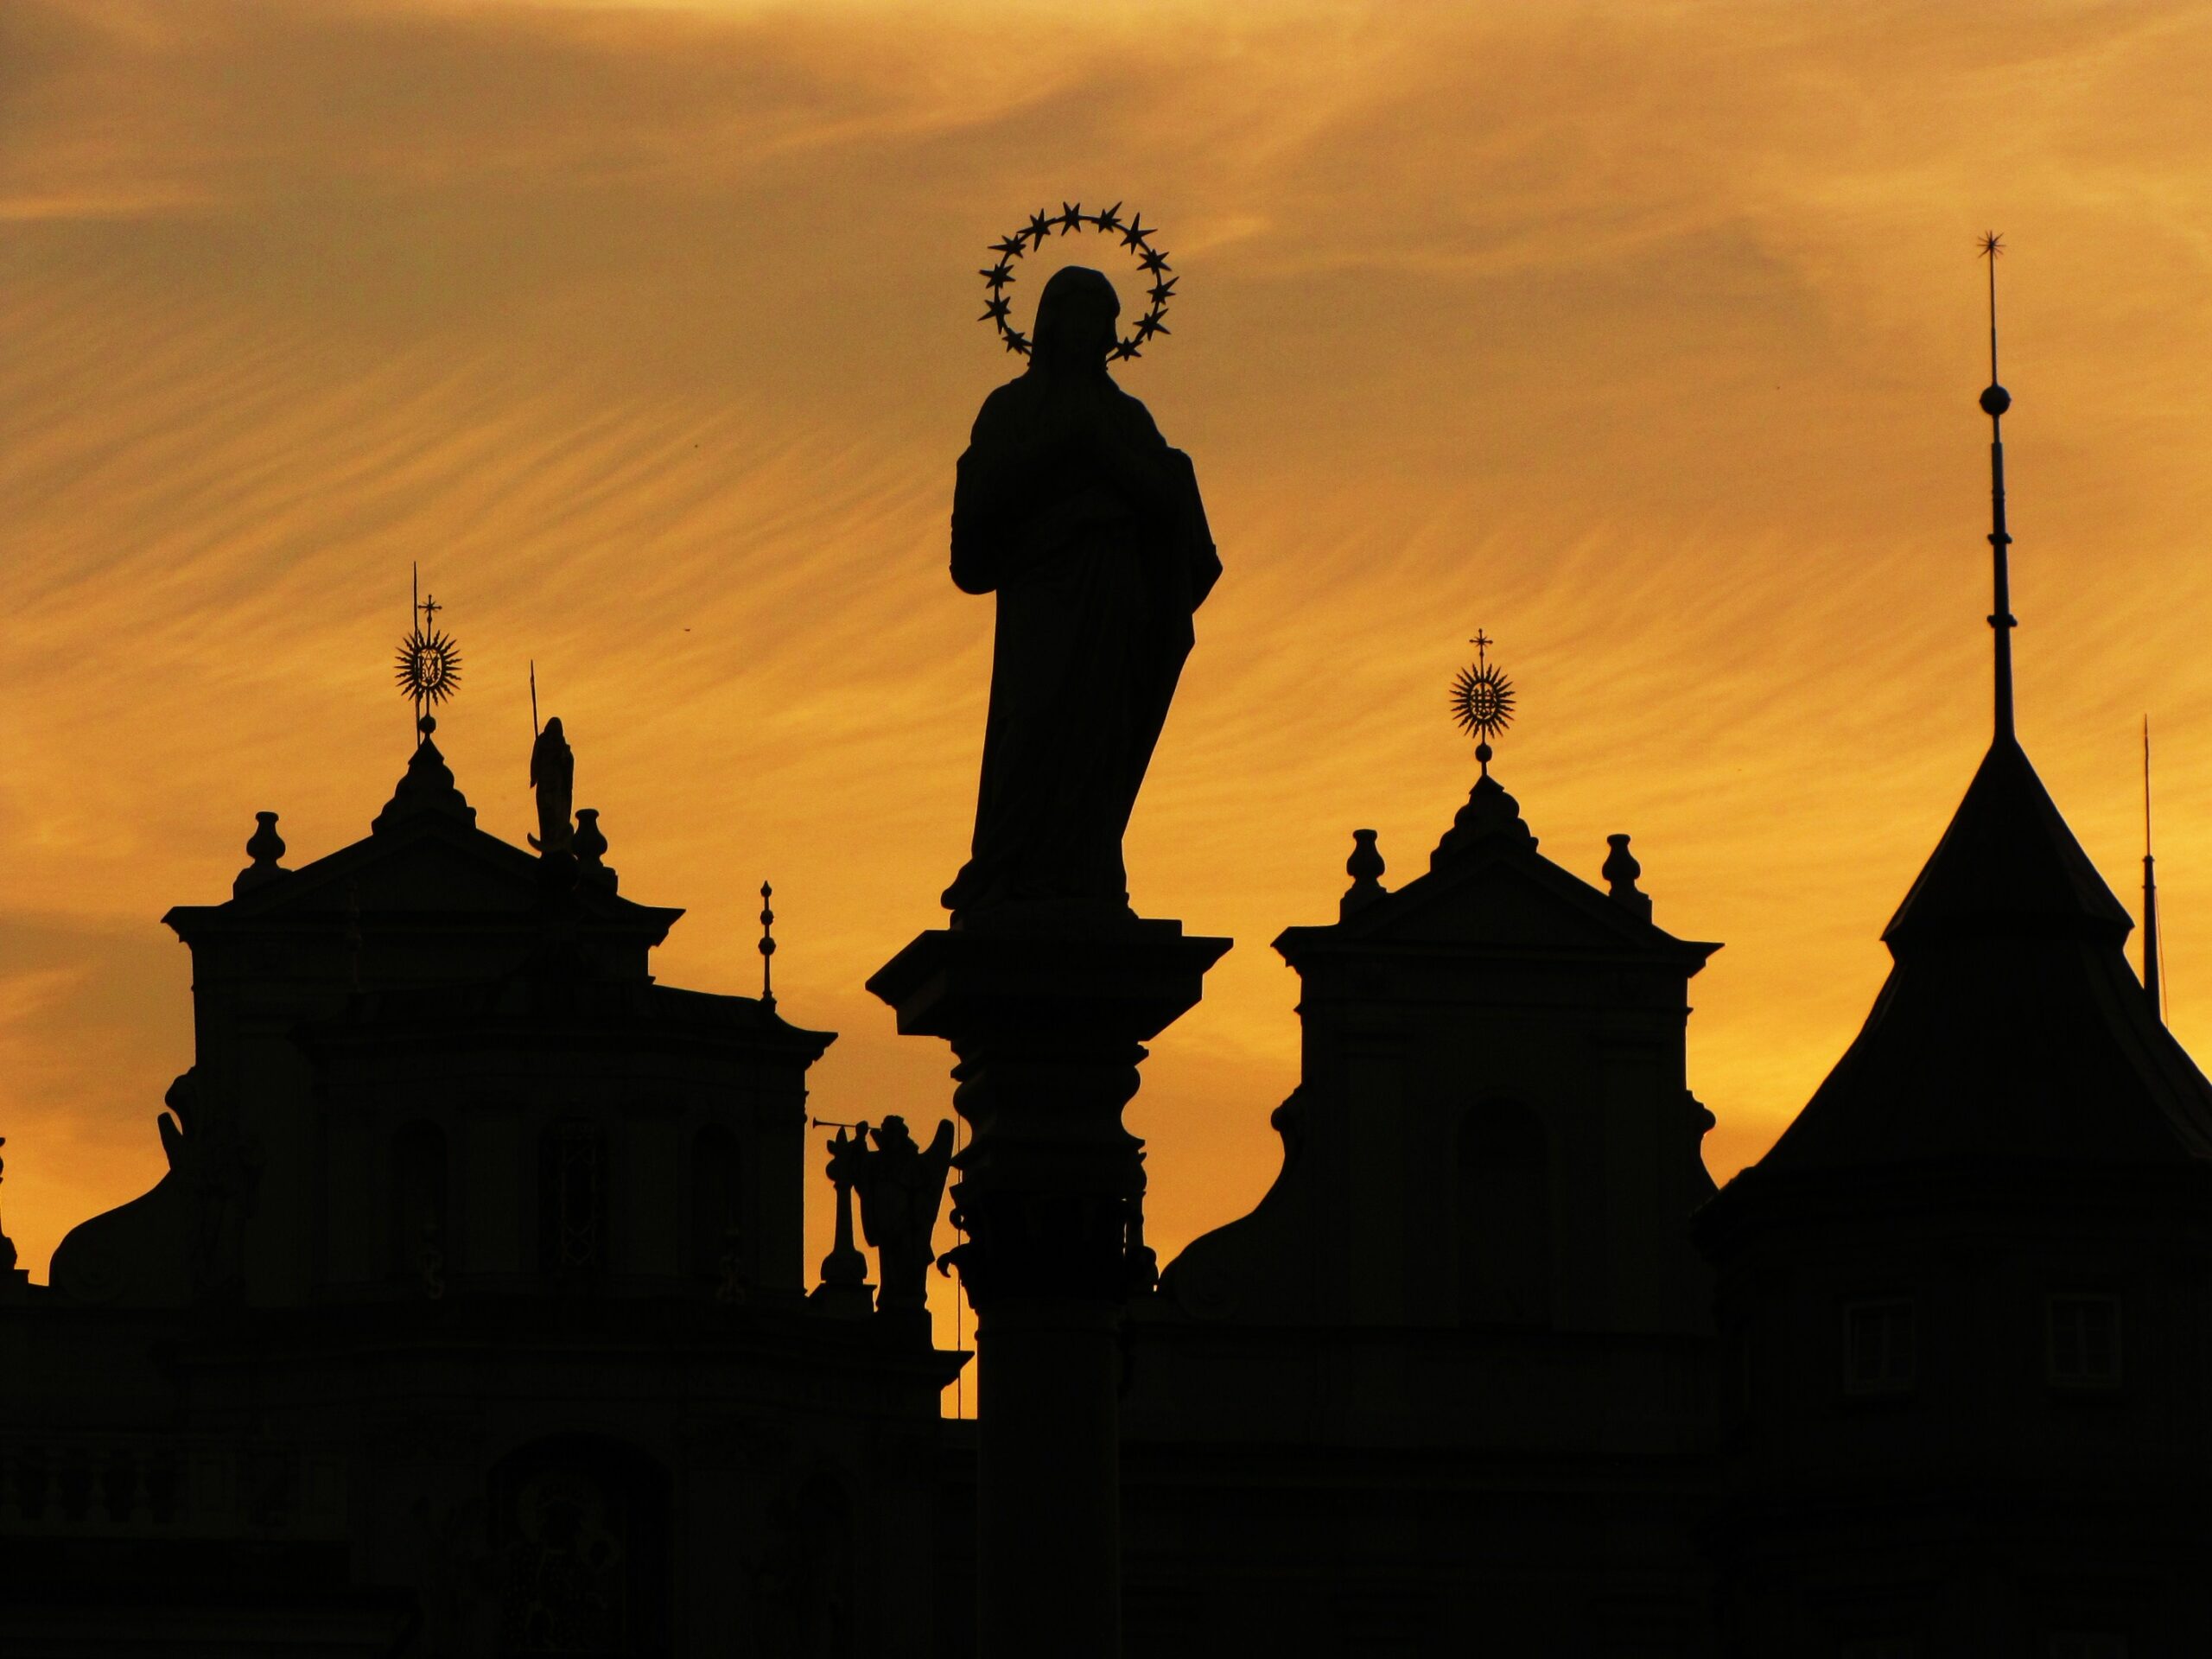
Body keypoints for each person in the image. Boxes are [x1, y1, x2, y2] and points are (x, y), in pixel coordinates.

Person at [942, 264, 1218, 925]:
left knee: (1099, 737)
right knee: (1033, 723)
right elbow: (981, 508)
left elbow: (1169, 501)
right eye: (1079, 315)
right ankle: (1008, 867)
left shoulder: (1125, 417)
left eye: (1104, 319)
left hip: (1112, 604)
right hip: (1043, 600)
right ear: (1048, 323)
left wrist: (1109, 456)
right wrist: (1067, 448)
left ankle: (1086, 868)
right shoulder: (1011, 409)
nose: (1093, 332)